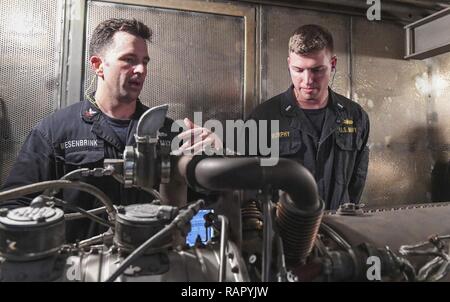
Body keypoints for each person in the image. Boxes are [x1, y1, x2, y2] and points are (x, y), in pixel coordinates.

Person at [0, 18, 220, 241]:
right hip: (84, 267)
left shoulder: (170, 133)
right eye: (129, 60)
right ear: (98, 65)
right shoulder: (54, 132)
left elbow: (205, 210)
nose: (141, 69)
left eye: (145, 61)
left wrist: (215, 162)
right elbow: (14, 205)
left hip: (155, 265)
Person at [247, 24, 370, 210]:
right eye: (298, 70)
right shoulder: (263, 118)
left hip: (337, 230)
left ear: (333, 64)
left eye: (317, 70)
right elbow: (248, 185)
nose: (307, 80)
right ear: (289, 64)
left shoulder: (355, 116)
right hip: (284, 232)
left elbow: (356, 180)